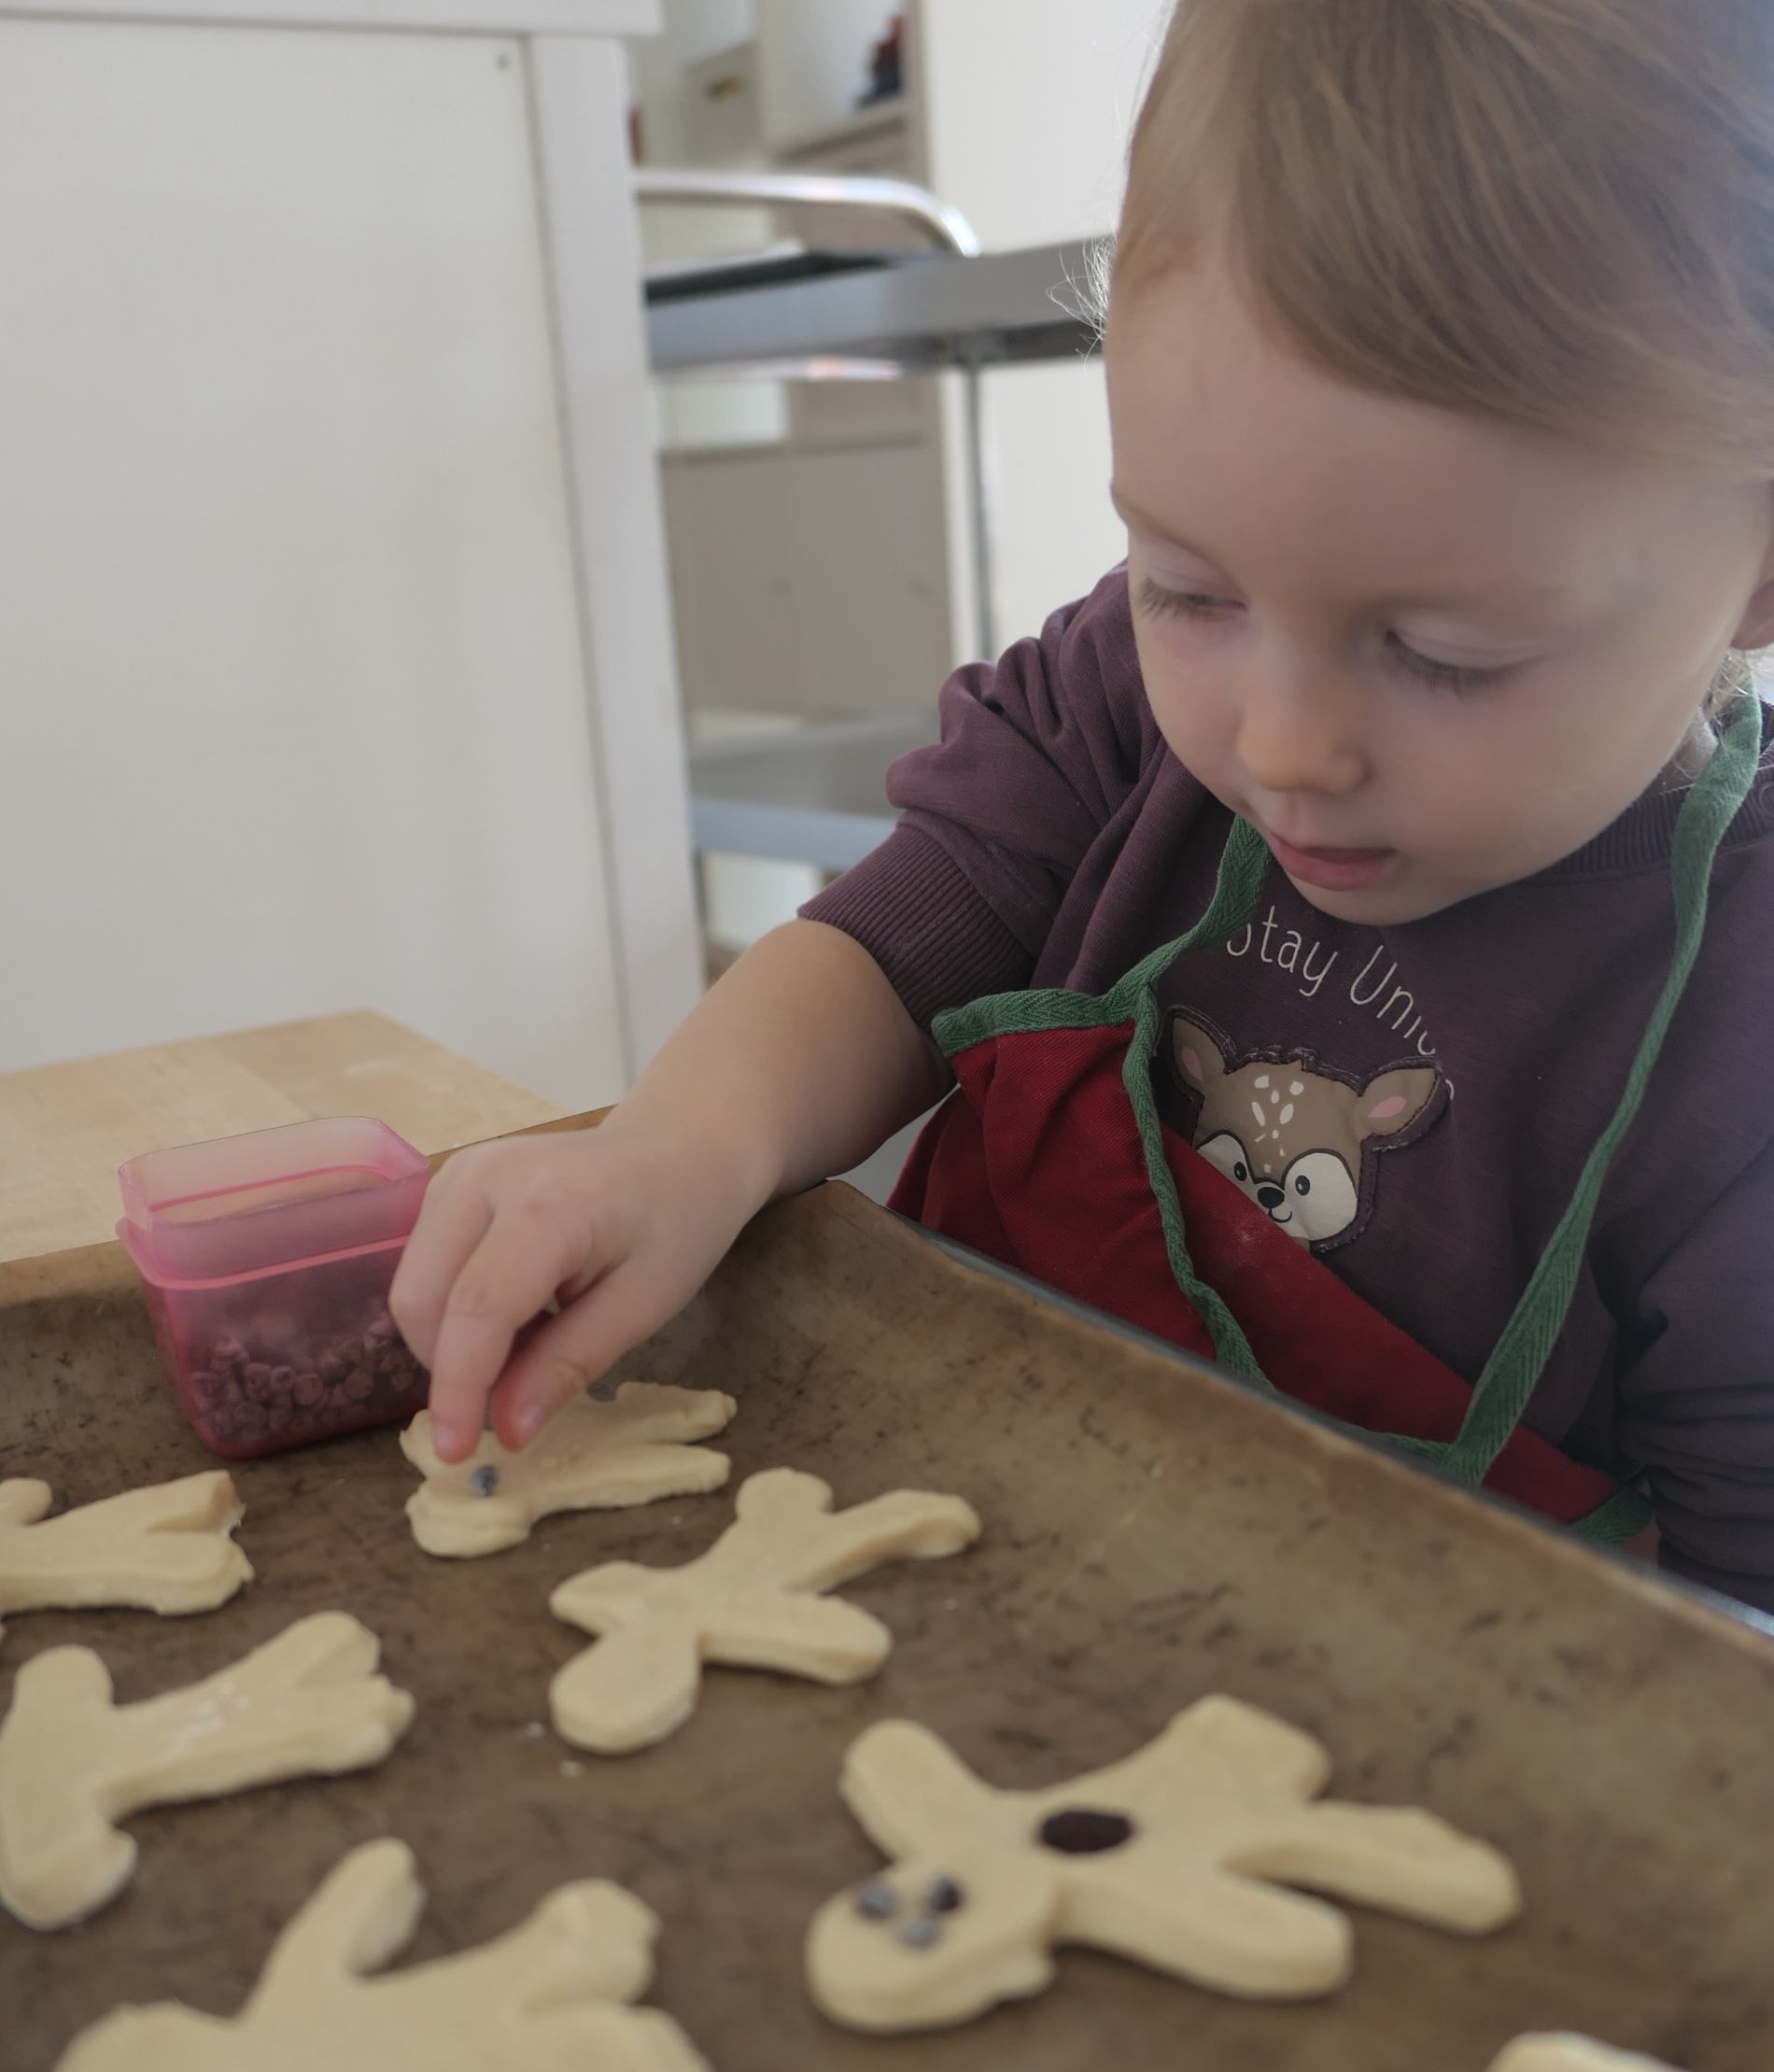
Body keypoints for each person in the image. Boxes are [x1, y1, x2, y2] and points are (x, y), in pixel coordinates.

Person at [391, 0, 1774, 1614]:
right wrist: (674, 1149)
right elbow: (903, 941)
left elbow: (1724, 1643)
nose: (1283, 744)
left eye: (1445, 655)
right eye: (1191, 588)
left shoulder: (1740, 1024)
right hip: (943, 1562)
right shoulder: (1119, 706)